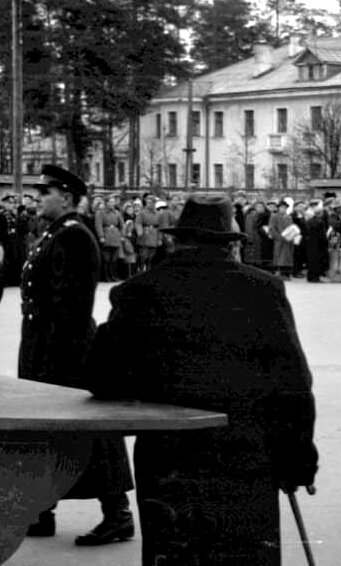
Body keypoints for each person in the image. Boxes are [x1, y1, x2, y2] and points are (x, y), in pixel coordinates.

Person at [85, 195, 319, 565]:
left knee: (176, 555)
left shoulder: (139, 291)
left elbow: (102, 378)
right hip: (245, 455)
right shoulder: (262, 289)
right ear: (230, 244)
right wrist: (299, 459)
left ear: (176, 240)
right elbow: (292, 384)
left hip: (168, 459)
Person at [19, 164, 135, 545]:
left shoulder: (74, 237)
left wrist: (54, 359)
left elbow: (72, 306)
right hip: (44, 344)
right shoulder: (56, 233)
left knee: (90, 432)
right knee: (46, 430)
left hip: (66, 351)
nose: (37, 200)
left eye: (44, 194)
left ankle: (117, 514)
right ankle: (42, 510)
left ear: (65, 197)